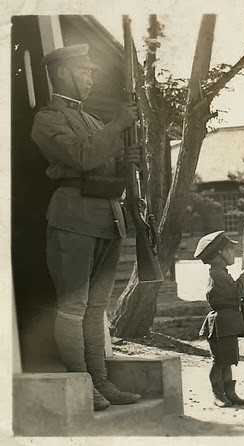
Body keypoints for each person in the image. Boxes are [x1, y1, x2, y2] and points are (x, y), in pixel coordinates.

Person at [31, 44, 142, 411]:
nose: (92, 79)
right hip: (73, 216)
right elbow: (81, 156)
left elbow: (105, 162)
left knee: (97, 309)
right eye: (85, 72)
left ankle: (101, 382)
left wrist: (129, 161)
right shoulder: (47, 119)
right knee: (74, 306)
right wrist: (117, 126)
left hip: (108, 218)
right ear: (63, 73)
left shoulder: (94, 121)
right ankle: (83, 386)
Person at [195, 231, 244, 407]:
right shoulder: (218, 275)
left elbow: (235, 292)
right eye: (229, 249)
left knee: (227, 360)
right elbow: (235, 291)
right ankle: (218, 395)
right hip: (219, 323)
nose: (232, 253)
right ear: (219, 253)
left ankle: (229, 393)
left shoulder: (221, 273)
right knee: (219, 361)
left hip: (228, 321)